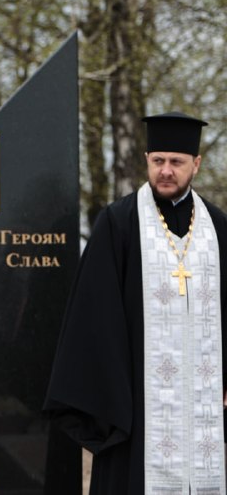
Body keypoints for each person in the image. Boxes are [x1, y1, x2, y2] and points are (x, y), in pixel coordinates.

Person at [44, 111, 227, 493]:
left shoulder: (218, 227)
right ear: (146, 159)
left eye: (176, 162)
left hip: (204, 406)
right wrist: (115, 397)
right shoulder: (118, 223)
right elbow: (94, 318)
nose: (165, 171)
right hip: (140, 409)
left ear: (196, 164)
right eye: (157, 160)